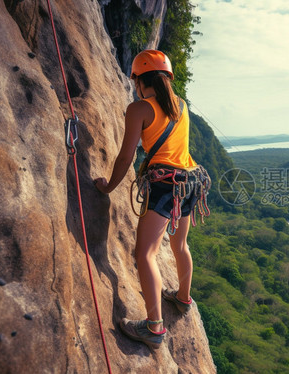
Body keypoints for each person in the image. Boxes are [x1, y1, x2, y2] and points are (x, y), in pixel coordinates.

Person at [95, 50, 209, 349]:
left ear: (137, 79)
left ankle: (154, 328)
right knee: (180, 244)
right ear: (166, 78)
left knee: (145, 253)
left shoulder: (139, 109)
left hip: (165, 185)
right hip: (191, 181)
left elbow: (126, 156)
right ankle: (183, 298)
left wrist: (108, 188)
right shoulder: (180, 105)